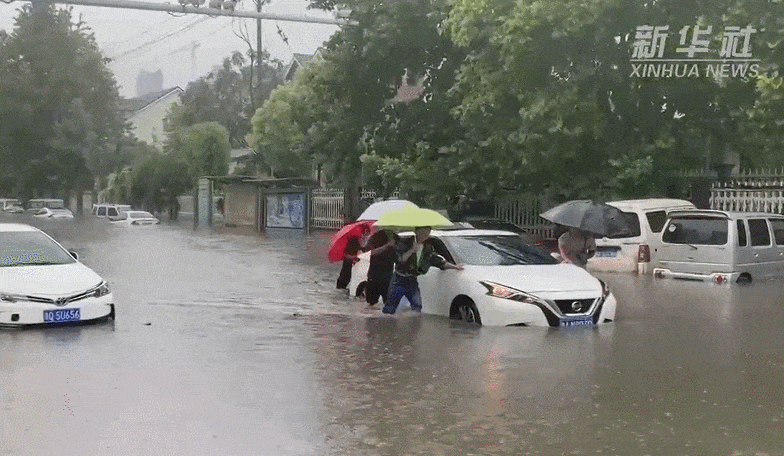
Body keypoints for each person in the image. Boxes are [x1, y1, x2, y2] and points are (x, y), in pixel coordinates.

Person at [382, 226, 463, 315]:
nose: (425, 234)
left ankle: (414, 326)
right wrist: (412, 250)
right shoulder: (404, 242)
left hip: (412, 280)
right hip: (398, 279)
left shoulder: (428, 248)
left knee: (417, 307)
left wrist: (455, 267)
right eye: (423, 232)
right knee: (389, 309)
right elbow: (400, 260)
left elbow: (439, 262)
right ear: (416, 232)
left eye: (427, 232)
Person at [364, 230, 398, 306]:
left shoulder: (396, 239)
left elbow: (399, 258)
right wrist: (387, 246)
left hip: (388, 278)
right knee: (371, 304)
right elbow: (369, 253)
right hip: (374, 277)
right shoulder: (374, 237)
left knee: (389, 305)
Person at [336, 224, 371, 290]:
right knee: (342, 284)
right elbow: (346, 255)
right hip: (347, 269)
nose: (366, 234)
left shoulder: (360, 241)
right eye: (366, 232)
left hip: (353, 269)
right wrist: (355, 257)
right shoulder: (352, 240)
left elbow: (361, 249)